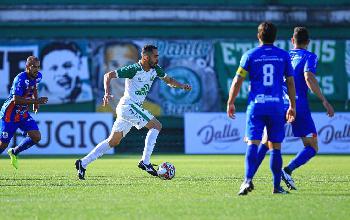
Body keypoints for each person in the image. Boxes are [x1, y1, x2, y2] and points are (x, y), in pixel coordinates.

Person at [75, 44, 192, 180]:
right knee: (157, 125)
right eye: (155, 56)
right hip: (129, 106)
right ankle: (145, 162)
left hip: (129, 109)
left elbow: (169, 80)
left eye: (157, 56)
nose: (157, 59)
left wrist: (182, 85)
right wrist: (107, 93)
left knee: (113, 141)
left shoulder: (155, 69)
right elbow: (108, 75)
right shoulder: (134, 69)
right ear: (146, 57)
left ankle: (83, 163)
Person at [253, 27, 335, 190]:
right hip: (299, 105)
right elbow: (308, 77)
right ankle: (288, 170)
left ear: (292, 40)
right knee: (311, 146)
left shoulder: (283, 55)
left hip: (277, 103)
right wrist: (324, 100)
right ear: (308, 42)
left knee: (267, 140)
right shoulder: (310, 56)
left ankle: (248, 177)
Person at [227, 22, 296, 195]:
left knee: (253, 142)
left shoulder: (250, 55)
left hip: (256, 106)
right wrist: (293, 106)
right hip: (276, 106)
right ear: (275, 37)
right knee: (276, 147)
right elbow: (290, 81)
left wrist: (230, 102)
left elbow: (237, 81)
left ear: (259, 36)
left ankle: (247, 180)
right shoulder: (283, 56)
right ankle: (276, 187)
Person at [0, 56, 48, 169]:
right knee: (2, 145)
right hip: (9, 115)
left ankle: (15, 152)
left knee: (36, 137)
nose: (37, 69)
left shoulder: (38, 76)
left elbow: (34, 88)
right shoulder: (20, 79)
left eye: (38, 67)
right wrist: (36, 101)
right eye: (34, 67)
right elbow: (16, 100)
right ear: (27, 67)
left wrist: (35, 102)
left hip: (22, 113)